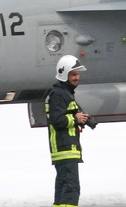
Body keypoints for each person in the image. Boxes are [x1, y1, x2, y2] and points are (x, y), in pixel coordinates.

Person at [46, 55, 90, 207]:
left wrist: (82, 119)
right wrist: (75, 119)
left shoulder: (64, 93)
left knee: (62, 189)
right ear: (64, 74)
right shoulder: (58, 94)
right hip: (65, 149)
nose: (77, 77)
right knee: (71, 189)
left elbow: (67, 115)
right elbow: (57, 120)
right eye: (73, 74)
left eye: (78, 74)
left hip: (66, 149)